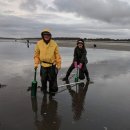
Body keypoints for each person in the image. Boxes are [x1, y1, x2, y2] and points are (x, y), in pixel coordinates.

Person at [34, 29, 61, 94]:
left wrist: (58, 64)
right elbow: (36, 55)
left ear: (50, 35)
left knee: (52, 80)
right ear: (42, 35)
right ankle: (44, 91)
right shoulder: (39, 43)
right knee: (43, 80)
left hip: (52, 65)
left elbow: (57, 55)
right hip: (43, 65)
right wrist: (36, 64)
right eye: (45, 34)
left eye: (48, 35)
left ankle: (51, 92)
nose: (46, 36)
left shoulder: (54, 43)